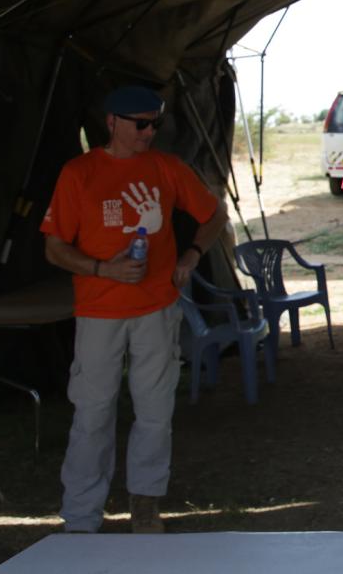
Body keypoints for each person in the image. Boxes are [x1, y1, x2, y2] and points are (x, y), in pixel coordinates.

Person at [40, 85, 227, 534]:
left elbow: (214, 214)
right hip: (99, 313)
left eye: (155, 123)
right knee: (92, 412)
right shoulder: (79, 173)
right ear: (112, 122)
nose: (149, 132)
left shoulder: (166, 167)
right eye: (140, 124)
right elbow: (54, 248)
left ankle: (145, 503)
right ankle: (81, 515)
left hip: (156, 309)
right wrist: (103, 269)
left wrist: (191, 256)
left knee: (155, 411)